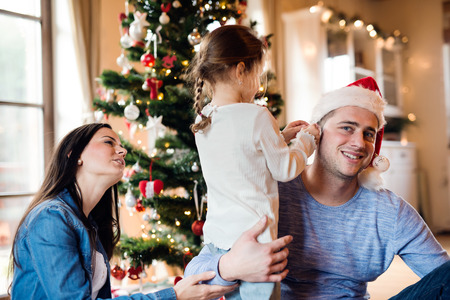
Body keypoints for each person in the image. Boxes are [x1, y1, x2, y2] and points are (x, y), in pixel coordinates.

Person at [185, 77, 450, 299]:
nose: (359, 142)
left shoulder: (390, 212)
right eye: (347, 128)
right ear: (316, 132)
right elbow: (195, 273)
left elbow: (442, 276)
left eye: (369, 134)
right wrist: (228, 266)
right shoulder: (268, 192)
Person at [8, 123, 238, 300]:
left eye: (120, 145)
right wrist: (174, 295)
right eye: (109, 142)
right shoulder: (50, 219)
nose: (123, 150)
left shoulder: (90, 224)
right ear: (74, 155)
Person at [186, 24, 320, 300]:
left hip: (219, 242)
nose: (259, 83)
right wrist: (306, 141)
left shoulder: (204, 119)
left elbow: (241, 156)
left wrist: (281, 137)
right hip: (257, 245)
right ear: (239, 71)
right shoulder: (257, 116)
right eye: (258, 74)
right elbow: (285, 169)